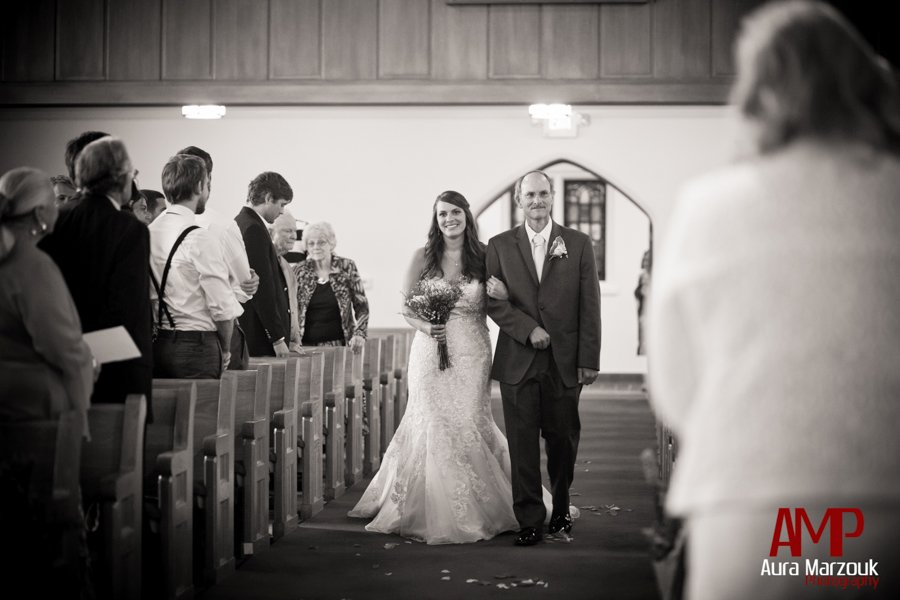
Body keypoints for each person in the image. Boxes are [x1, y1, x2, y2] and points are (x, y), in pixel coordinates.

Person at [646, 2, 900, 599]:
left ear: (756, 93)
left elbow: (677, 382)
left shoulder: (710, 205)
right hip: (885, 491)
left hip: (748, 494)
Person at [350, 190, 527, 544]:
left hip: (472, 352)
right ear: (436, 219)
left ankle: (484, 503)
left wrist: (505, 294)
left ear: (466, 216)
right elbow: (407, 307)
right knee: (431, 420)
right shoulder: (424, 256)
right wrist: (427, 327)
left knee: (467, 422)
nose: (450, 219)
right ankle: (427, 504)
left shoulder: (485, 255)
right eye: (443, 214)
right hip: (430, 351)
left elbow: (503, 297)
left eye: (456, 212)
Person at [486, 170, 601, 546]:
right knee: (521, 444)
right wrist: (526, 328)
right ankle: (530, 520)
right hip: (518, 360)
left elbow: (590, 306)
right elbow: (492, 302)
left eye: (543, 194)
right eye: (530, 194)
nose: (537, 200)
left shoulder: (579, 243)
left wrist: (589, 358)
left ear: (553, 197)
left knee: (563, 441)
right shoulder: (499, 246)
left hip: (565, 361)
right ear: (519, 200)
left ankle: (563, 509)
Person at [39, 136, 153, 412]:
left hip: (62, 361)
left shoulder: (55, 221)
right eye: (132, 173)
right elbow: (129, 307)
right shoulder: (128, 228)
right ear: (120, 177)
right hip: (117, 369)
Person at [0, 167, 93, 435]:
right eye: (54, 203)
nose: (59, 209)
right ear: (40, 214)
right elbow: (62, 348)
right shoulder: (32, 265)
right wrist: (87, 361)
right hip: (34, 411)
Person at [149, 154, 241, 378]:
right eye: (208, 185)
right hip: (197, 346)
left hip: (159, 343)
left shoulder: (148, 232)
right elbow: (221, 307)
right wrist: (226, 349)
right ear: (201, 185)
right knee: (201, 413)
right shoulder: (199, 237)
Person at [178, 146, 258, 369]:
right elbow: (245, 287)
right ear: (207, 180)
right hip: (216, 331)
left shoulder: (156, 226)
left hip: (167, 337)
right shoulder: (220, 226)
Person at [235, 171, 293, 357]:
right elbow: (262, 289)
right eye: (282, 204)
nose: (282, 211)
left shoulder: (244, 222)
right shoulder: (253, 228)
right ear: (268, 198)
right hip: (260, 336)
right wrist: (276, 338)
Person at [292, 221, 368, 353]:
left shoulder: (347, 267)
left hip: (340, 345)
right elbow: (290, 308)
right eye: (311, 243)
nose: (316, 247)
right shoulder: (299, 270)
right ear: (306, 247)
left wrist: (359, 333)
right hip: (305, 347)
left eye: (321, 242)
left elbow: (362, 306)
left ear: (331, 243)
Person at [271, 211, 302, 352]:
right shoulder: (263, 263)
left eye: (295, 231)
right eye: (288, 231)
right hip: (271, 345)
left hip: (287, 346)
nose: (294, 236)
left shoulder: (286, 267)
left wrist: (295, 339)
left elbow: (292, 306)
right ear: (271, 233)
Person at [634, 249, 651, 355]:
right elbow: (637, 293)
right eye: (644, 260)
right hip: (642, 310)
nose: (645, 262)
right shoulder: (641, 276)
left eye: (647, 260)